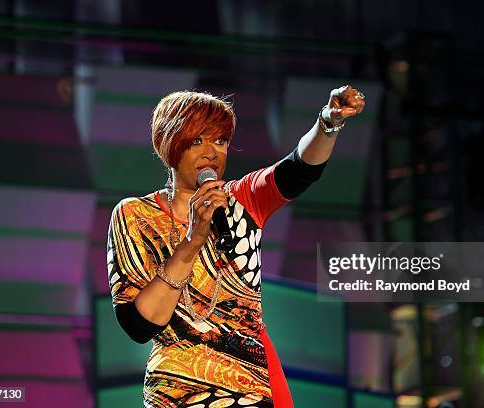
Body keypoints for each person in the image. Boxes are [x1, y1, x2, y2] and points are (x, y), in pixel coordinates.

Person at [107, 85, 366, 407]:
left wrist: (328, 124)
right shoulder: (136, 215)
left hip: (249, 388)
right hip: (177, 391)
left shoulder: (242, 200)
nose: (211, 153)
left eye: (220, 141)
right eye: (197, 141)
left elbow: (298, 169)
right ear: (167, 145)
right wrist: (193, 240)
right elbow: (139, 324)